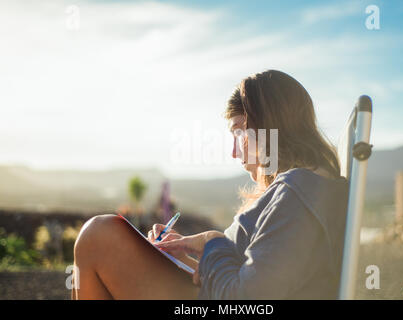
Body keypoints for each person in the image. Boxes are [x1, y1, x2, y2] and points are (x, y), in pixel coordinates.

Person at [72, 70, 349, 300]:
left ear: (271, 125)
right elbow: (254, 274)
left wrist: (212, 241)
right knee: (103, 241)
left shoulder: (297, 193)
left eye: (239, 131)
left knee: (99, 237)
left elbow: (250, 299)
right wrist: (189, 257)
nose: (233, 152)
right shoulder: (305, 190)